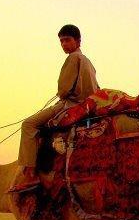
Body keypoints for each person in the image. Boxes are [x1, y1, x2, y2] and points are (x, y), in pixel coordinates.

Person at [9, 24, 99, 193]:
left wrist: (62, 94)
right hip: (86, 107)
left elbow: (64, 89)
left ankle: (29, 173)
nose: (64, 44)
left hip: (70, 105)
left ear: (78, 41)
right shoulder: (89, 63)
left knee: (28, 125)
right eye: (61, 41)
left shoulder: (73, 58)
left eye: (67, 40)